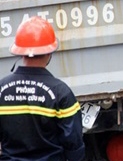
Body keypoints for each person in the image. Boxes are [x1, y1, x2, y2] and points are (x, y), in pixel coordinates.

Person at [0, 16, 85, 160]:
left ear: (20, 52)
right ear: (49, 52)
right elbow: (74, 143)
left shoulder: (2, 90)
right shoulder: (61, 93)